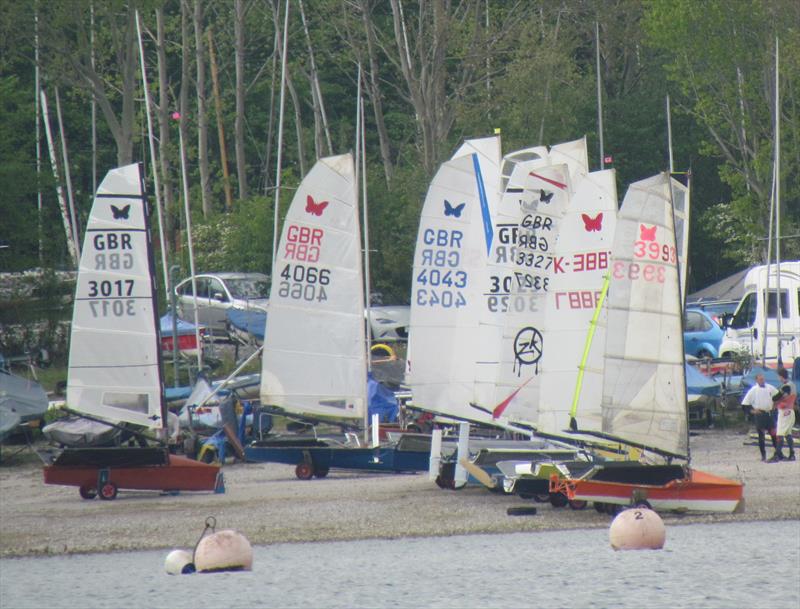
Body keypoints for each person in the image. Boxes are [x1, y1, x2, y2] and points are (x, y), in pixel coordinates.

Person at [740, 373, 779, 461]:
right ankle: (763, 455)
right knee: (761, 436)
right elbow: (745, 404)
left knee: (773, 434)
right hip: (760, 414)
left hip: (769, 413)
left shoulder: (770, 387)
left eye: (763, 379)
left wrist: (775, 406)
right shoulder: (753, 390)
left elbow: (778, 396)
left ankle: (777, 453)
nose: (762, 380)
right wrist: (752, 411)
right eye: (760, 379)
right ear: (756, 380)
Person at [772, 368, 797, 461]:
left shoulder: (786, 386)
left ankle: (778, 454)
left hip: (785, 411)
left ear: (781, 376)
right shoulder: (792, 385)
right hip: (790, 411)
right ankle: (791, 454)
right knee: (787, 434)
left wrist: (775, 399)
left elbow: (775, 397)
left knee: (780, 433)